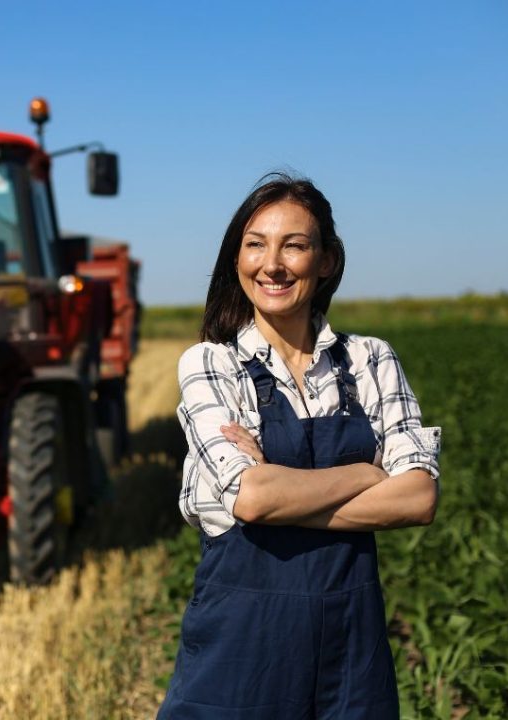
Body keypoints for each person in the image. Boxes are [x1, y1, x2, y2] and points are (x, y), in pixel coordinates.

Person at [158, 174, 441, 719]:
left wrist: (281, 494)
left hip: (350, 656)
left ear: (327, 260)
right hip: (239, 652)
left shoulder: (371, 360)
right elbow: (254, 499)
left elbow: (417, 500)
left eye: (295, 244)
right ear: (236, 259)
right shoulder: (212, 363)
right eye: (256, 244)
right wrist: (366, 474)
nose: (273, 264)